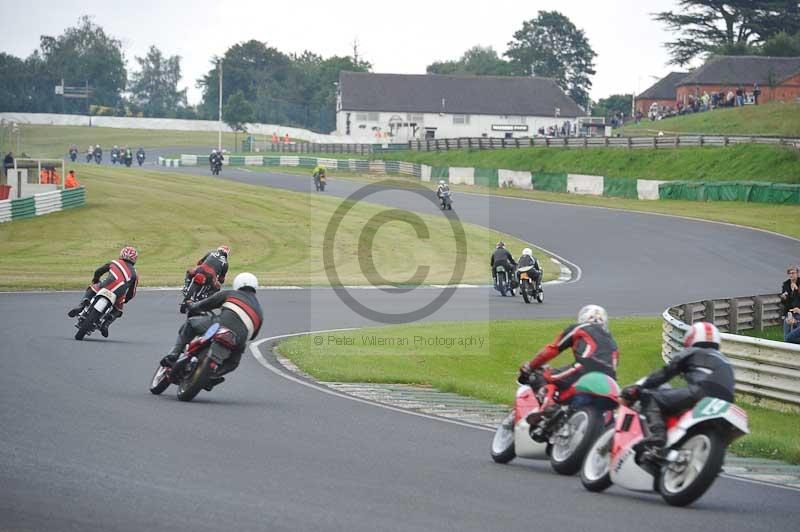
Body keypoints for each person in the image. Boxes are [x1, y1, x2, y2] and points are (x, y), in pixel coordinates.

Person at [621, 321, 735, 455]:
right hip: (725, 403)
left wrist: (639, 388)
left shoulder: (693, 352)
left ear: (692, 337)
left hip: (701, 392)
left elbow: (664, 374)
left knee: (650, 396)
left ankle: (658, 435)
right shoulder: (725, 360)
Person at [161, 272, 263, 391]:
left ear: (237, 284)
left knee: (190, 323)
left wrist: (192, 306)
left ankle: (174, 354)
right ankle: (214, 375)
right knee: (233, 363)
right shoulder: (260, 311)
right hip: (239, 340)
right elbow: (253, 336)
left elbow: (205, 304)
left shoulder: (231, 294)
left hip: (220, 326)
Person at [518, 305, 618, 421]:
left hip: (584, 368)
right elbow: (614, 368)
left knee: (544, 376)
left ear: (584, 317)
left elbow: (552, 350)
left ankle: (549, 406)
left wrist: (530, 366)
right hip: (609, 380)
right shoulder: (613, 342)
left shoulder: (579, 328)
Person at [67, 246, 140, 337]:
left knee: (92, 288)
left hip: (105, 286)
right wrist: (126, 300)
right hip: (118, 294)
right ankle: (105, 324)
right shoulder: (135, 274)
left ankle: (81, 306)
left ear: (122, 254)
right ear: (135, 259)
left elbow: (98, 271)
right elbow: (132, 292)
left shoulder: (115, 262)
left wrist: (95, 280)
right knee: (118, 310)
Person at [780, 265, 800, 342]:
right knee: (786, 336)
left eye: (793, 273)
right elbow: (783, 301)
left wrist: (797, 289)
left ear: (797, 273)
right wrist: (783, 297)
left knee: (793, 336)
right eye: (789, 273)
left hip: (798, 312)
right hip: (789, 312)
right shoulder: (786, 284)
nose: (791, 275)